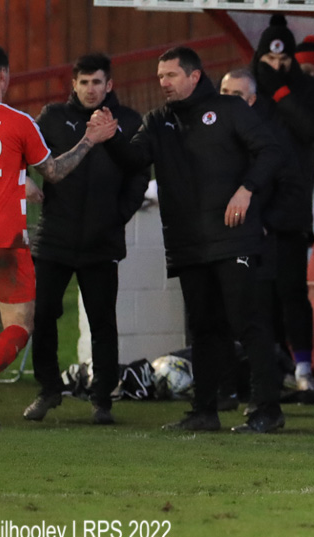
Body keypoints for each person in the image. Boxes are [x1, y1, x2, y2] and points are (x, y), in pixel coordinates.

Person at [92, 46, 286, 433]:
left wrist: (246, 189)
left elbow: (271, 150)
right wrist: (110, 138)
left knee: (247, 323)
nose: (163, 82)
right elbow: (133, 160)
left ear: (194, 76)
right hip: (190, 244)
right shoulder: (158, 121)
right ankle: (205, 411)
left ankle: (268, 410)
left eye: (171, 75)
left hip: (232, 238)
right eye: (160, 76)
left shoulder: (229, 110)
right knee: (205, 328)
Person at [0, 44, 117, 429]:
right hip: (6, 240)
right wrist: (89, 140)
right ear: (4, 75)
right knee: (20, 325)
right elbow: (55, 171)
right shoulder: (18, 122)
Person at [21, 53, 148, 425]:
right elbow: (22, 152)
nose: (91, 90)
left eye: (97, 82)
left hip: (101, 240)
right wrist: (21, 178)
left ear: (109, 85)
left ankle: (102, 400)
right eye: (84, 83)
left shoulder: (128, 121)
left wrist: (118, 216)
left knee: (102, 321)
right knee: (42, 314)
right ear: (73, 85)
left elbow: (139, 173)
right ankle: (48, 389)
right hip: (54, 237)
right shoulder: (52, 118)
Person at [218, 68, 313, 405]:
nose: (230, 102)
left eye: (238, 96)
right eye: (225, 94)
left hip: (270, 237)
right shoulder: (212, 132)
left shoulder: (271, 135)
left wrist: (263, 222)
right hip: (226, 239)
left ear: (252, 100)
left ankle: (293, 375)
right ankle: (228, 385)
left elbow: (291, 185)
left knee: (277, 303)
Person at [251, 14, 314, 390]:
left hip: (293, 209)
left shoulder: (309, 92)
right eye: (270, 62)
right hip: (252, 207)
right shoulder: (248, 95)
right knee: (259, 294)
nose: (278, 68)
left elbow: (309, 127)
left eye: (284, 62)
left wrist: (281, 94)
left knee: (292, 291)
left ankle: (302, 368)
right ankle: (267, 365)